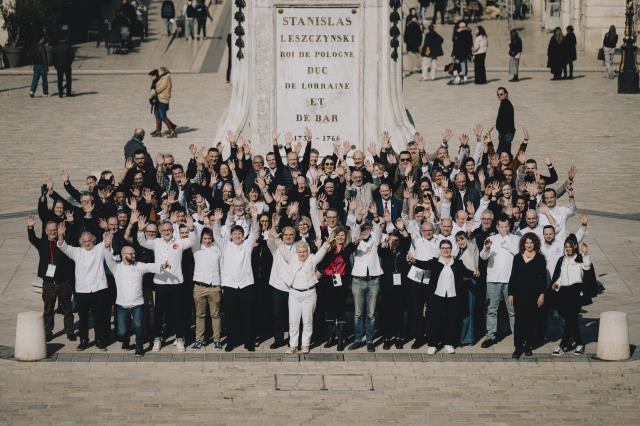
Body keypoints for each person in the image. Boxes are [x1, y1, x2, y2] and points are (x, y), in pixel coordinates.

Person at [137, 215, 197, 352]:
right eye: (164, 230)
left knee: (179, 313)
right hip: (160, 283)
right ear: (160, 230)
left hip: (177, 284)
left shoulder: (179, 242)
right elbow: (142, 241)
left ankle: (180, 339)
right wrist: (140, 230)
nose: (166, 232)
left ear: (172, 230)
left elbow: (193, 241)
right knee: (158, 314)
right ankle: (157, 339)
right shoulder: (156, 242)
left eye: (169, 229)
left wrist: (192, 228)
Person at [103, 232, 167, 356]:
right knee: (122, 332)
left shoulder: (139, 266)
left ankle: (139, 348)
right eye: (130, 254)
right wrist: (106, 246)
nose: (133, 255)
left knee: (138, 327)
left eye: (134, 253)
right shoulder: (116, 268)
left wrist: (162, 266)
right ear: (122, 255)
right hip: (121, 305)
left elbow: (151, 266)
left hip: (138, 304)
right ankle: (125, 340)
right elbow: (108, 257)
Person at [408, 239, 472, 355]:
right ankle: (432, 344)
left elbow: (467, 272)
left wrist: (474, 273)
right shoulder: (435, 262)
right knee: (435, 320)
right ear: (440, 250)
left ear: (451, 249)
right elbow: (423, 264)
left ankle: (449, 343)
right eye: (443, 248)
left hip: (453, 297)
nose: (446, 250)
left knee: (451, 320)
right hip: (437, 296)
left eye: (448, 248)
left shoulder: (457, 263)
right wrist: (413, 260)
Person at [212, 207, 260, 352]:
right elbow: (216, 236)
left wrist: (254, 217)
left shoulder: (247, 245)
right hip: (230, 286)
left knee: (249, 315)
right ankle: (231, 341)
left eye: (240, 233)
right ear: (231, 235)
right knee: (231, 316)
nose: (237, 236)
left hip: (246, 284)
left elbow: (255, 232)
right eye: (235, 233)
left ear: (243, 235)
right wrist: (218, 221)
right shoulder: (225, 245)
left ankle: (249, 342)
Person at [57, 222, 110, 351]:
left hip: (98, 288)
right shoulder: (77, 252)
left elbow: (107, 241)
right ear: (81, 243)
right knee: (83, 318)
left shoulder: (99, 249)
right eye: (84, 241)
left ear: (93, 240)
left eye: (89, 241)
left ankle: (99, 340)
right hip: (82, 291)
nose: (87, 243)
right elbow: (62, 246)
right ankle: (84, 340)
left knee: (99, 317)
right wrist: (60, 234)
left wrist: (107, 230)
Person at [277, 238, 330, 354]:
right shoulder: (292, 259)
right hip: (294, 294)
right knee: (293, 321)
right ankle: (293, 346)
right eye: (299, 251)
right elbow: (282, 249)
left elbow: (321, 252)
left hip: (309, 294)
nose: (302, 254)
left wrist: (326, 244)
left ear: (308, 251)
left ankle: (305, 345)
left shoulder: (312, 259)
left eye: (304, 251)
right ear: (296, 252)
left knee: (307, 321)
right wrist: (277, 238)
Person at [27, 216, 75, 342]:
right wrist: (30, 227)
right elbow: (32, 239)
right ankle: (48, 331)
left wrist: (69, 224)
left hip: (64, 281)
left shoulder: (64, 241)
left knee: (67, 308)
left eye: (55, 229)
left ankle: (70, 331)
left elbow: (72, 236)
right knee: (48, 308)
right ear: (45, 231)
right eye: (50, 230)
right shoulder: (42, 243)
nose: (53, 232)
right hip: (49, 282)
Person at [479, 217, 518, 348]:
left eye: (506, 226)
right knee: (491, 309)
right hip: (493, 279)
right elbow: (483, 256)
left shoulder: (515, 239)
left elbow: (518, 254)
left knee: (512, 310)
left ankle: (517, 336)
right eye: (501, 226)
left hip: (510, 280)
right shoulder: (491, 239)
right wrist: (487, 248)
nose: (503, 229)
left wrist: (506, 239)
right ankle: (490, 335)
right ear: (497, 227)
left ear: (509, 226)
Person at [550, 238, 593, 356]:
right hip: (563, 291)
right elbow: (560, 274)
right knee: (570, 319)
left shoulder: (579, 258)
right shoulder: (562, 259)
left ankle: (562, 345)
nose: (568, 249)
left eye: (570, 247)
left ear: (574, 247)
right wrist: (556, 283)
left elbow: (587, 267)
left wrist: (585, 253)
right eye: (566, 247)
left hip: (575, 291)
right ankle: (579, 343)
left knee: (571, 318)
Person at [348, 213, 384, 353]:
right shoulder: (356, 241)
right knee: (358, 313)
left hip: (373, 280)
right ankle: (358, 339)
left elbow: (378, 230)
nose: (365, 231)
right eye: (363, 229)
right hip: (358, 280)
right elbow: (355, 229)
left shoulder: (375, 239)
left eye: (367, 228)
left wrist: (375, 217)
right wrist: (358, 222)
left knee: (371, 314)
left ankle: (369, 341)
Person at [507, 233, 547, 358]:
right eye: (526, 243)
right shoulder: (518, 257)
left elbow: (543, 278)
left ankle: (528, 346)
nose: (529, 245)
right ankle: (518, 347)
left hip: (533, 295)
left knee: (531, 321)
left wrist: (542, 294)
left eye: (531, 242)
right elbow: (513, 276)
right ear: (523, 244)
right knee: (519, 322)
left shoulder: (540, 258)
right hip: (519, 294)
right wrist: (510, 293)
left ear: (535, 243)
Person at [190, 226, 223, 350]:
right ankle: (199, 340)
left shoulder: (218, 250)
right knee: (200, 315)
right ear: (201, 238)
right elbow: (193, 237)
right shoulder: (196, 248)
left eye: (209, 238)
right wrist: (193, 227)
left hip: (214, 286)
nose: (207, 240)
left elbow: (221, 268)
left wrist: (221, 285)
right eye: (205, 238)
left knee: (216, 315)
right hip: (199, 287)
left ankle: (217, 340)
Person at [455, 231, 480, 346]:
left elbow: (471, 244)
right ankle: (460, 337)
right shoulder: (457, 252)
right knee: (462, 311)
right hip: (460, 284)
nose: (460, 242)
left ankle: (469, 339)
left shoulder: (472, 249)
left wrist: (469, 234)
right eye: (458, 240)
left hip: (470, 281)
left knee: (469, 311)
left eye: (462, 239)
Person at [154, 67, 177, 138]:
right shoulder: (162, 77)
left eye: (159, 71)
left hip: (163, 99)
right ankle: (158, 131)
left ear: (163, 71)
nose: (158, 73)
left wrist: (154, 91)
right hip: (159, 98)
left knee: (162, 116)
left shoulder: (166, 78)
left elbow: (161, 87)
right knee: (157, 114)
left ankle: (172, 131)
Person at [495, 87, 515, 155]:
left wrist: (501, 132)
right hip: (505, 133)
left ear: (506, 94)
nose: (499, 96)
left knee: (501, 153)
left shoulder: (506, 104)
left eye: (501, 94)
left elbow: (505, 121)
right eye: (498, 94)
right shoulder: (504, 103)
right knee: (506, 152)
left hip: (507, 133)